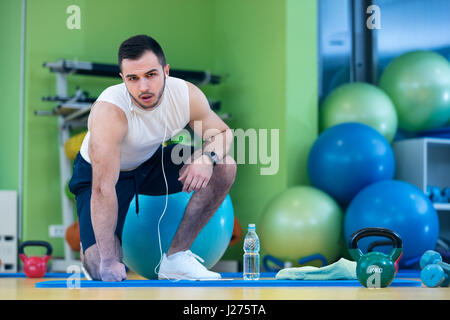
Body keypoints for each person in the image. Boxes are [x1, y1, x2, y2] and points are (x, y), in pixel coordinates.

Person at [69, 34, 236, 282]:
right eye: (133, 78)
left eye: (151, 75)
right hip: (102, 177)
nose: (143, 87)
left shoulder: (185, 95)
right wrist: (109, 261)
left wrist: (207, 158)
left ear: (166, 71)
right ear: (122, 79)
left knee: (225, 165)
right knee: (101, 271)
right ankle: (94, 256)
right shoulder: (110, 112)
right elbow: (103, 189)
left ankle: (177, 257)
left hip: (150, 161)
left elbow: (223, 133)